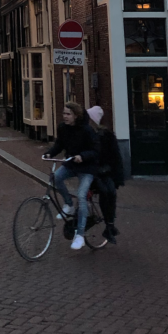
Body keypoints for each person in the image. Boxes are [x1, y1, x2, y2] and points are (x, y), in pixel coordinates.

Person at [44, 102, 100, 251]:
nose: (65, 116)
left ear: (76, 115)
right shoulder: (63, 128)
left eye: (68, 114)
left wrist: (82, 156)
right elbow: (59, 145)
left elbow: (95, 150)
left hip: (87, 168)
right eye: (64, 113)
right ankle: (68, 204)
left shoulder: (87, 130)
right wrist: (50, 153)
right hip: (71, 164)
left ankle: (80, 235)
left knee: (81, 196)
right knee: (56, 177)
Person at [87, 105, 124, 243]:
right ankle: (109, 226)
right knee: (104, 191)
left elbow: (115, 157)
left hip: (104, 171)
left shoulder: (106, 136)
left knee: (111, 192)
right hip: (91, 171)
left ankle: (109, 226)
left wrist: (117, 177)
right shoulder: (86, 134)